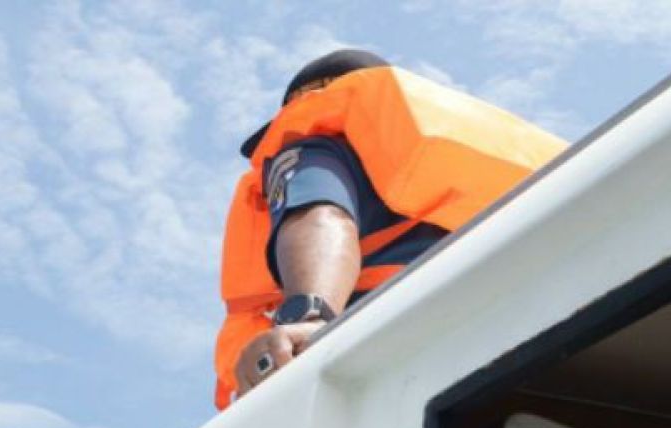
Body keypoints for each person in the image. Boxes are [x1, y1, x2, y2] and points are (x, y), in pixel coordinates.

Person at [212, 50, 567, 409]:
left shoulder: (314, 143)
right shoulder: (476, 169)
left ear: (307, 101)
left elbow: (320, 216)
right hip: (539, 330)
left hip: (403, 349)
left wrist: (311, 318)